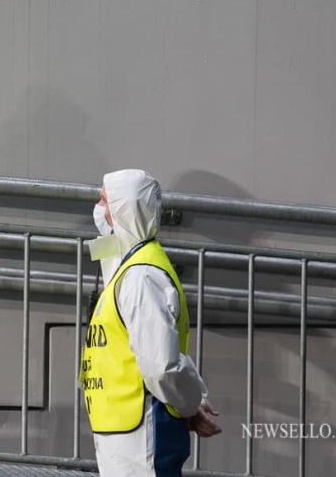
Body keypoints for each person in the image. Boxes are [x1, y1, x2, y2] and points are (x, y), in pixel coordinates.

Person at [81, 169, 221, 477]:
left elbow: (161, 363)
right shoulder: (128, 268)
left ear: (123, 209)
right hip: (125, 428)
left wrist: (190, 404)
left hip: (142, 430)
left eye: (104, 201)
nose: (98, 208)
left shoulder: (141, 277)